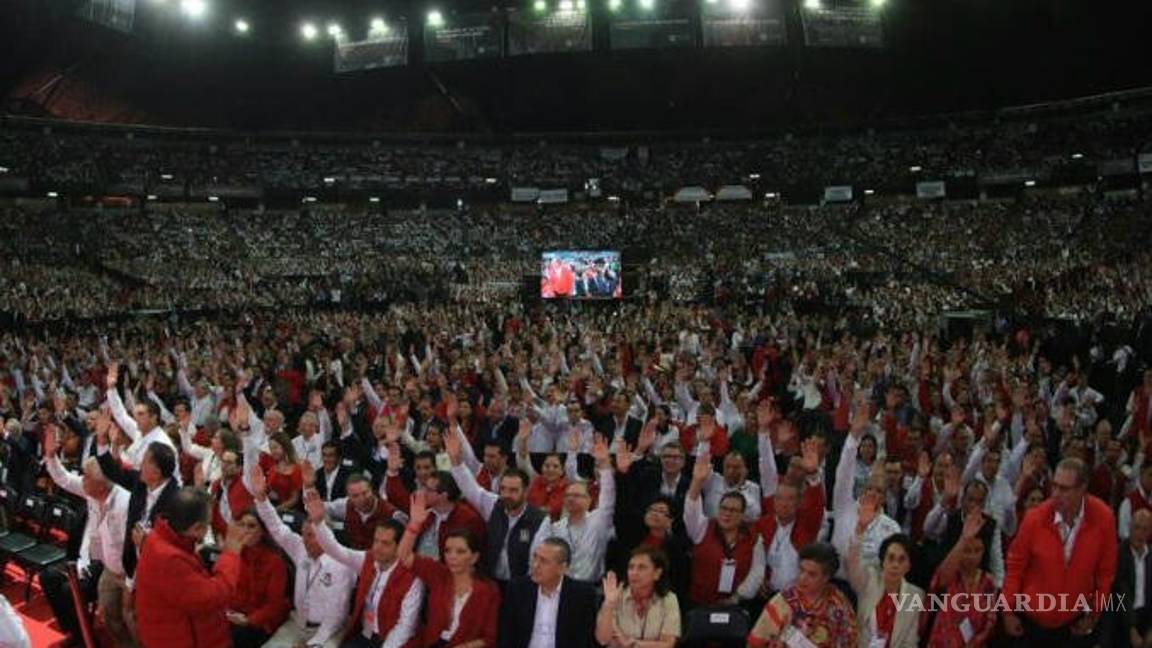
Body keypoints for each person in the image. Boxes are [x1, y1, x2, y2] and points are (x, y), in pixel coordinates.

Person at [1003, 457, 1118, 644]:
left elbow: (1105, 574)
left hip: (1073, 622)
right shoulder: (1034, 518)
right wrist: (1007, 611)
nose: (1055, 494)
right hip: (1032, 620)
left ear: (1082, 488)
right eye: (1054, 486)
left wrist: (1093, 614)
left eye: (1064, 489)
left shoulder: (1104, 518)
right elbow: (1015, 566)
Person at [40, 424, 133, 648]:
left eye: (87, 477)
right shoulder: (92, 491)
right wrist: (51, 455)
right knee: (48, 577)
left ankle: (89, 636)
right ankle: (78, 634)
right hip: (88, 560)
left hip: (114, 566)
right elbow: (63, 478)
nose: (82, 480)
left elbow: (129, 551)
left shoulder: (124, 504)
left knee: (70, 590)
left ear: (102, 484)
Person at [134, 486, 252, 648]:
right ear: (196, 528)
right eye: (207, 525)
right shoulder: (170, 558)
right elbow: (212, 597)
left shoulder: (159, 537)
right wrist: (231, 555)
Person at [304, 490, 425, 648]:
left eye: (385, 543)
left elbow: (405, 627)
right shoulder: (368, 559)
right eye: (376, 541)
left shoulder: (413, 578)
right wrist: (319, 523)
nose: (377, 548)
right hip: (364, 635)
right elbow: (337, 551)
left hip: (394, 642)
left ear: (400, 546)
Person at [250, 466, 354, 648]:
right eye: (304, 534)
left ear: (326, 535)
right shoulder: (300, 547)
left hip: (328, 631)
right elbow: (277, 528)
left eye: (312, 535)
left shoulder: (341, 564)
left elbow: (338, 613)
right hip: (297, 623)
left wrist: (315, 642)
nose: (305, 540)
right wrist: (262, 499)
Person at [398, 490, 501, 647]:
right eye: (447, 550)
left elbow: (489, 639)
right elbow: (404, 557)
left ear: (474, 557)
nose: (452, 556)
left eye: (460, 551)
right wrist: (414, 525)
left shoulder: (489, 590)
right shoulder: (439, 573)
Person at [447, 428, 547, 583]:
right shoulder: (494, 504)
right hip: (490, 581)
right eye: (503, 489)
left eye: (513, 490)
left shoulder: (539, 519)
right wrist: (456, 461)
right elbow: (470, 488)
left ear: (526, 492)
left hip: (521, 584)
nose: (507, 495)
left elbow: (537, 560)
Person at [683, 449, 765, 606]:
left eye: (733, 511)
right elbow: (691, 509)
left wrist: (736, 598)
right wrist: (697, 482)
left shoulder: (754, 538)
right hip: (699, 603)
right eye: (724, 509)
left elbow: (757, 573)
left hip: (736, 605)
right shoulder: (703, 528)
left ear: (742, 515)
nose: (727, 514)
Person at [532, 435, 616, 583]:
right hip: (562, 587)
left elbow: (608, 497)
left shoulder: (598, 521)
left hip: (590, 587)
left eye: (577, 495)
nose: (571, 498)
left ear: (589, 500)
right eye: (568, 495)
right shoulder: (557, 527)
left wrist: (604, 465)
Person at [845, 494, 924, 648]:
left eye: (901, 560)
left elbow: (911, 642)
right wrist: (860, 530)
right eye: (891, 558)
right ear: (882, 561)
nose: (895, 565)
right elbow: (852, 564)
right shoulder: (868, 579)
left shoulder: (917, 596)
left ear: (908, 566)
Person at [747, 542, 857, 648]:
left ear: (826, 577)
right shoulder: (782, 602)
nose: (802, 578)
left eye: (812, 574)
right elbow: (754, 643)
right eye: (801, 570)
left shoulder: (839, 604)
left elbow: (850, 641)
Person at [498, 537, 596, 648]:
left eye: (543, 561)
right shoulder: (518, 589)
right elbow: (505, 636)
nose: (535, 565)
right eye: (535, 558)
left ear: (562, 568)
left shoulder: (581, 596)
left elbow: (585, 641)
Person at [927, 513, 999, 647]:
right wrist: (964, 538)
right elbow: (940, 578)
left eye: (977, 550)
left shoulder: (988, 581)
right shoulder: (951, 574)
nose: (972, 556)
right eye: (967, 550)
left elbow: (990, 622)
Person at [222, 508, 291, 647]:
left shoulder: (275, 562)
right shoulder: (234, 554)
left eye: (251, 526)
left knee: (236, 637)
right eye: (242, 525)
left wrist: (249, 620)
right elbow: (225, 588)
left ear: (263, 531)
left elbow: (274, 606)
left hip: (261, 621)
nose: (245, 530)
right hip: (235, 614)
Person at [595, 546, 681, 648]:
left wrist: (634, 644)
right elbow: (603, 640)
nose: (634, 573)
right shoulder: (616, 596)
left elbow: (667, 644)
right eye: (631, 567)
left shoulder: (669, 600)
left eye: (642, 567)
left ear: (657, 574)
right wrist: (609, 604)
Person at [1101, 508, 1152, 648]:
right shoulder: (1118, 554)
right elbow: (1120, 592)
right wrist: (1131, 629)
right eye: (1136, 528)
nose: (1140, 534)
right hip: (1120, 619)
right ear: (1129, 527)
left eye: (1145, 529)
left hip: (1145, 617)